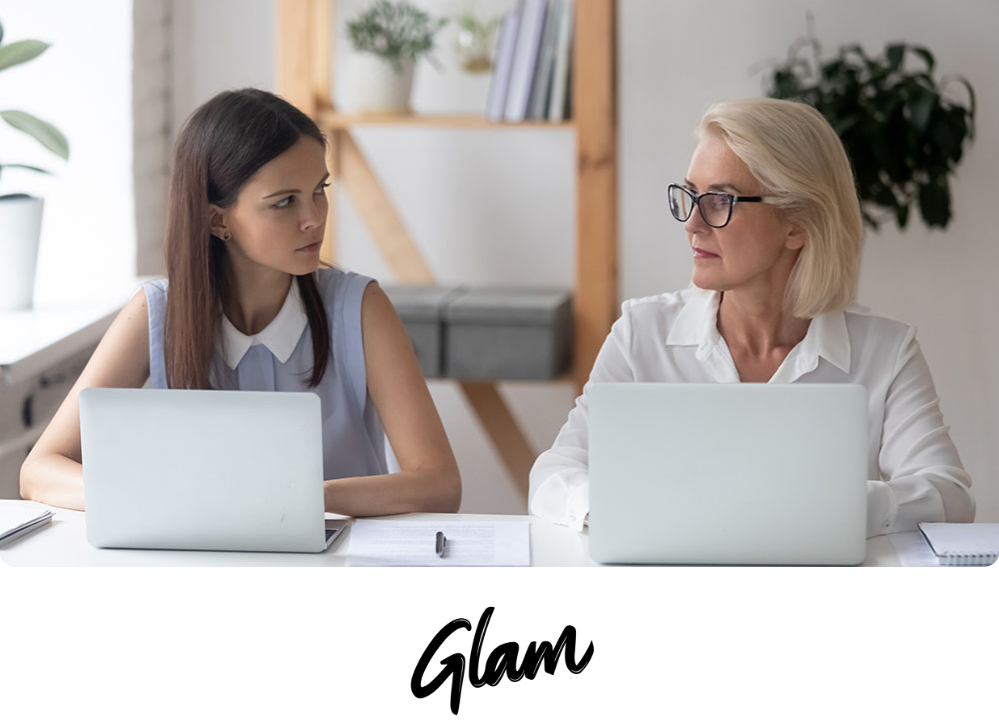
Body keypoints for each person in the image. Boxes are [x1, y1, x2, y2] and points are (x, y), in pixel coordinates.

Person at [529, 97, 974, 537]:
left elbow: (949, 496)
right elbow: (554, 474)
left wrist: (831, 504)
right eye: (691, 195)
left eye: (720, 200)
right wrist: (624, 509)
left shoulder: (886, 352)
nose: (692, 224)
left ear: (798, 223)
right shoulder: (640, 335)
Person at [20, 88, 461, 515]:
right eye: (284, 202)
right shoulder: (154, 312)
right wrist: (148, 496)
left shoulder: (360, 306)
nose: (314, 218)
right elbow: (40, 472)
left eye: (319, 190)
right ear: (217, 220)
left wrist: (304, 496)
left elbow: (439, 483)